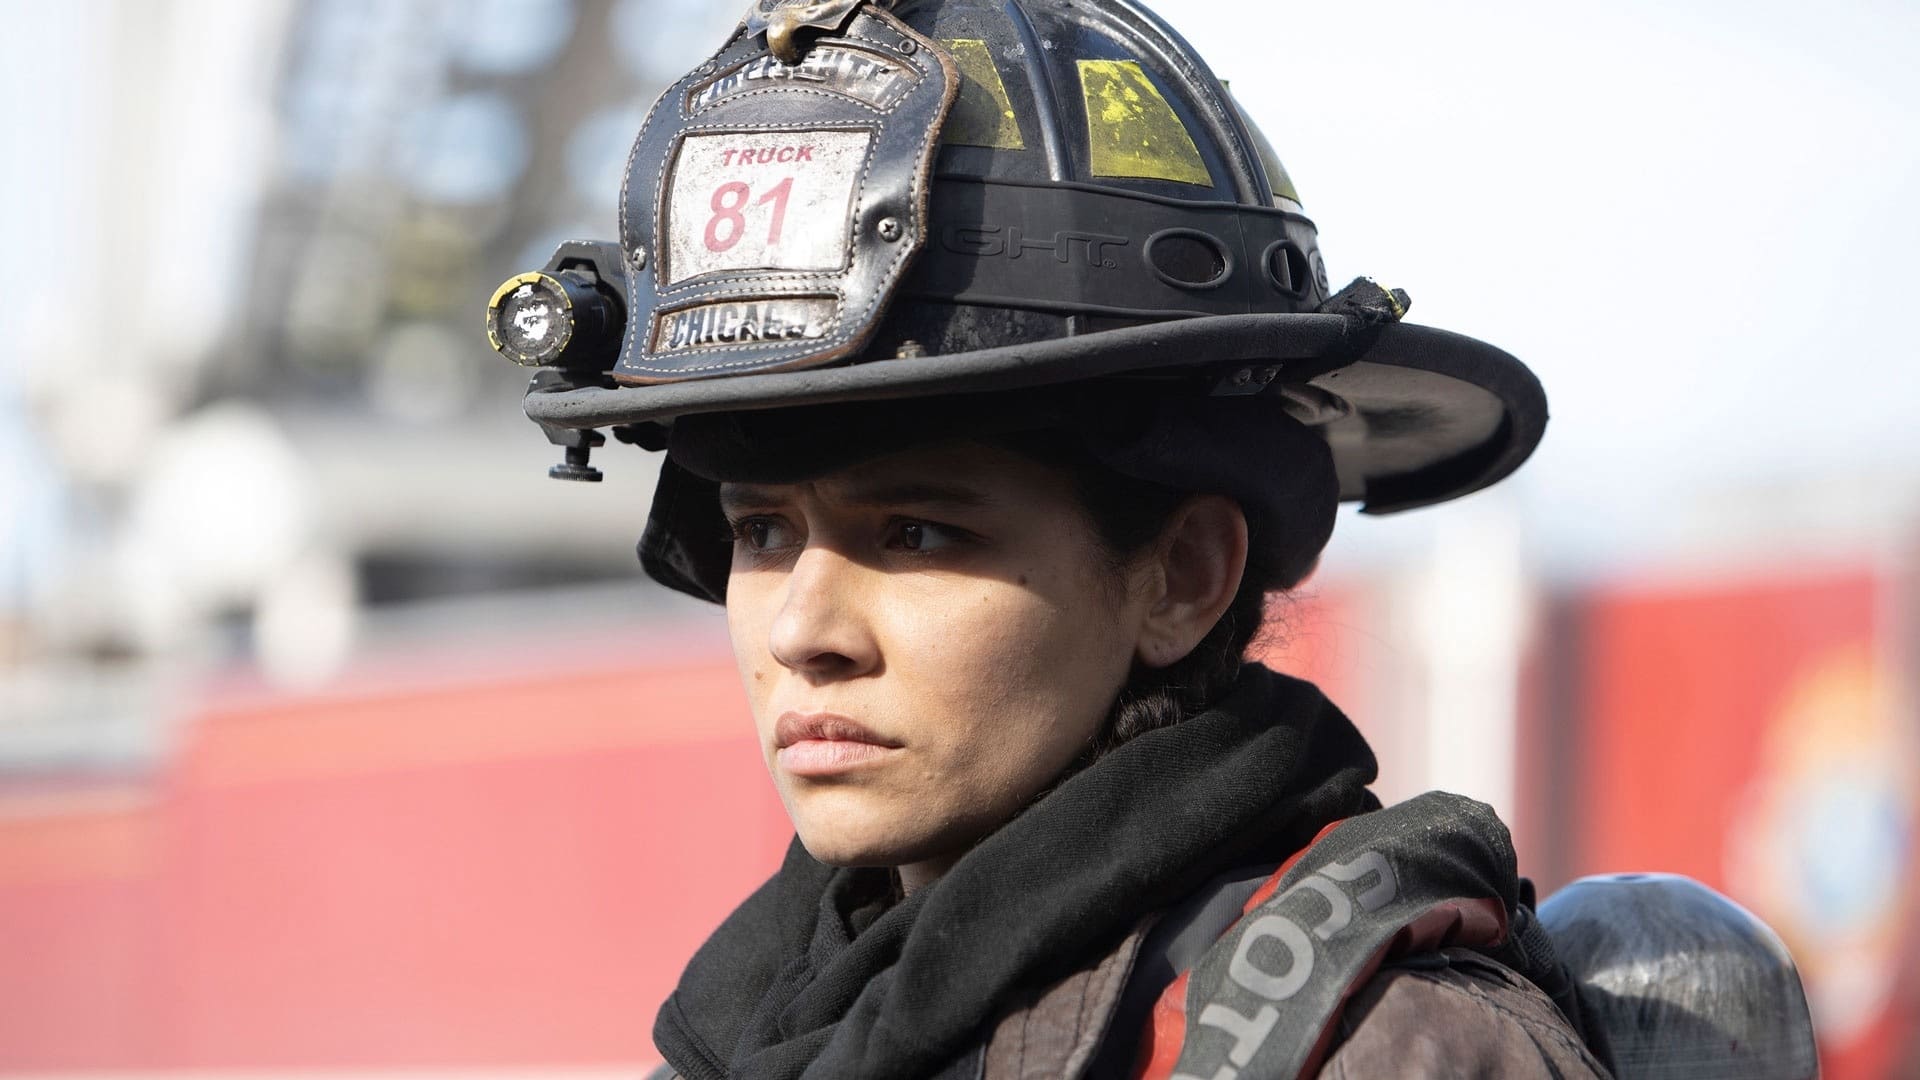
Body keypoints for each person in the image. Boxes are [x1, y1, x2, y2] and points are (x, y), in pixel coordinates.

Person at [488, 0, 1614, 1074]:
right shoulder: (760, 1028)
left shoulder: (1377, 1046)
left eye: (916, 533)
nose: (802, 632)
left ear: (1183, 577)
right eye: (763, 531)